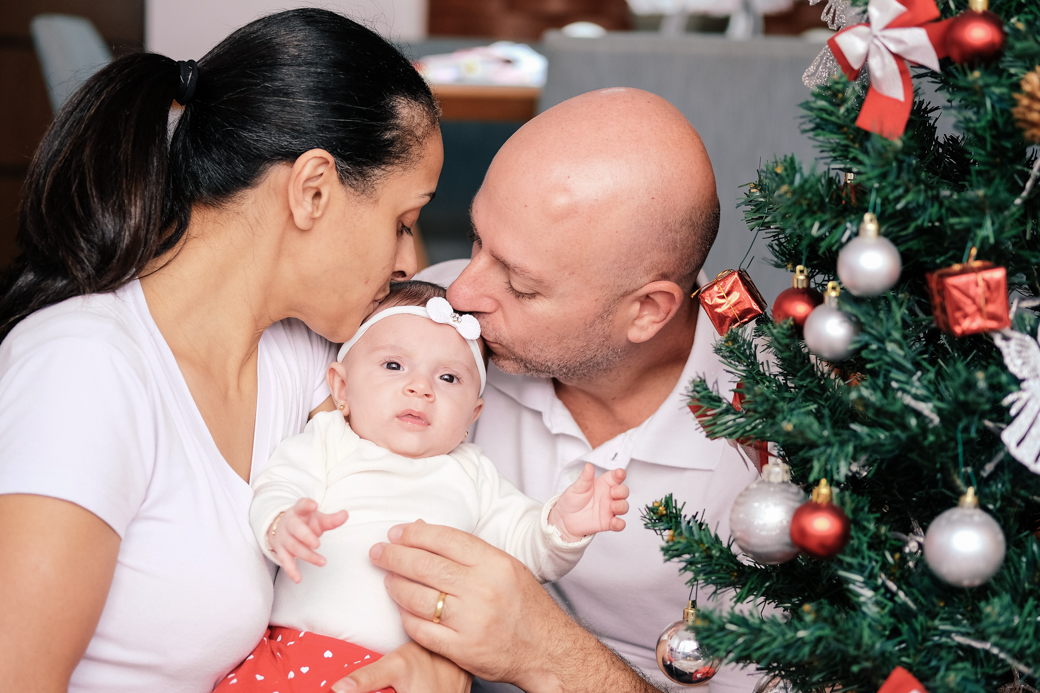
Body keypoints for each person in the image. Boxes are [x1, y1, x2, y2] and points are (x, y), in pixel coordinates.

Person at [0, 9, 470, 693]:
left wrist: (435, 664)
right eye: (402, 223)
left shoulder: (306, 359)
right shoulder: (85, 372)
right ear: (312, 190)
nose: (407, 259)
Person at [337, 88, 762, 693]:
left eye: (521, 285)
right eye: (476, 240)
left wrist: (549, 655)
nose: (459, 294)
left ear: (647, 310)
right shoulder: (424, 335)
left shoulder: (785, 453)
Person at [214, 281, 630, 691]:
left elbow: (524, 550)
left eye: (449, 378)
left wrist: (562, 525)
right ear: (341, 387)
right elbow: (280, 482)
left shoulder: (473, 474)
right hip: (296, 655)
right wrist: (282, 523)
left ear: (473, 415)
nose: (420, 387)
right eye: (394, 366)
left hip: (416, 678)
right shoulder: (329, 439)